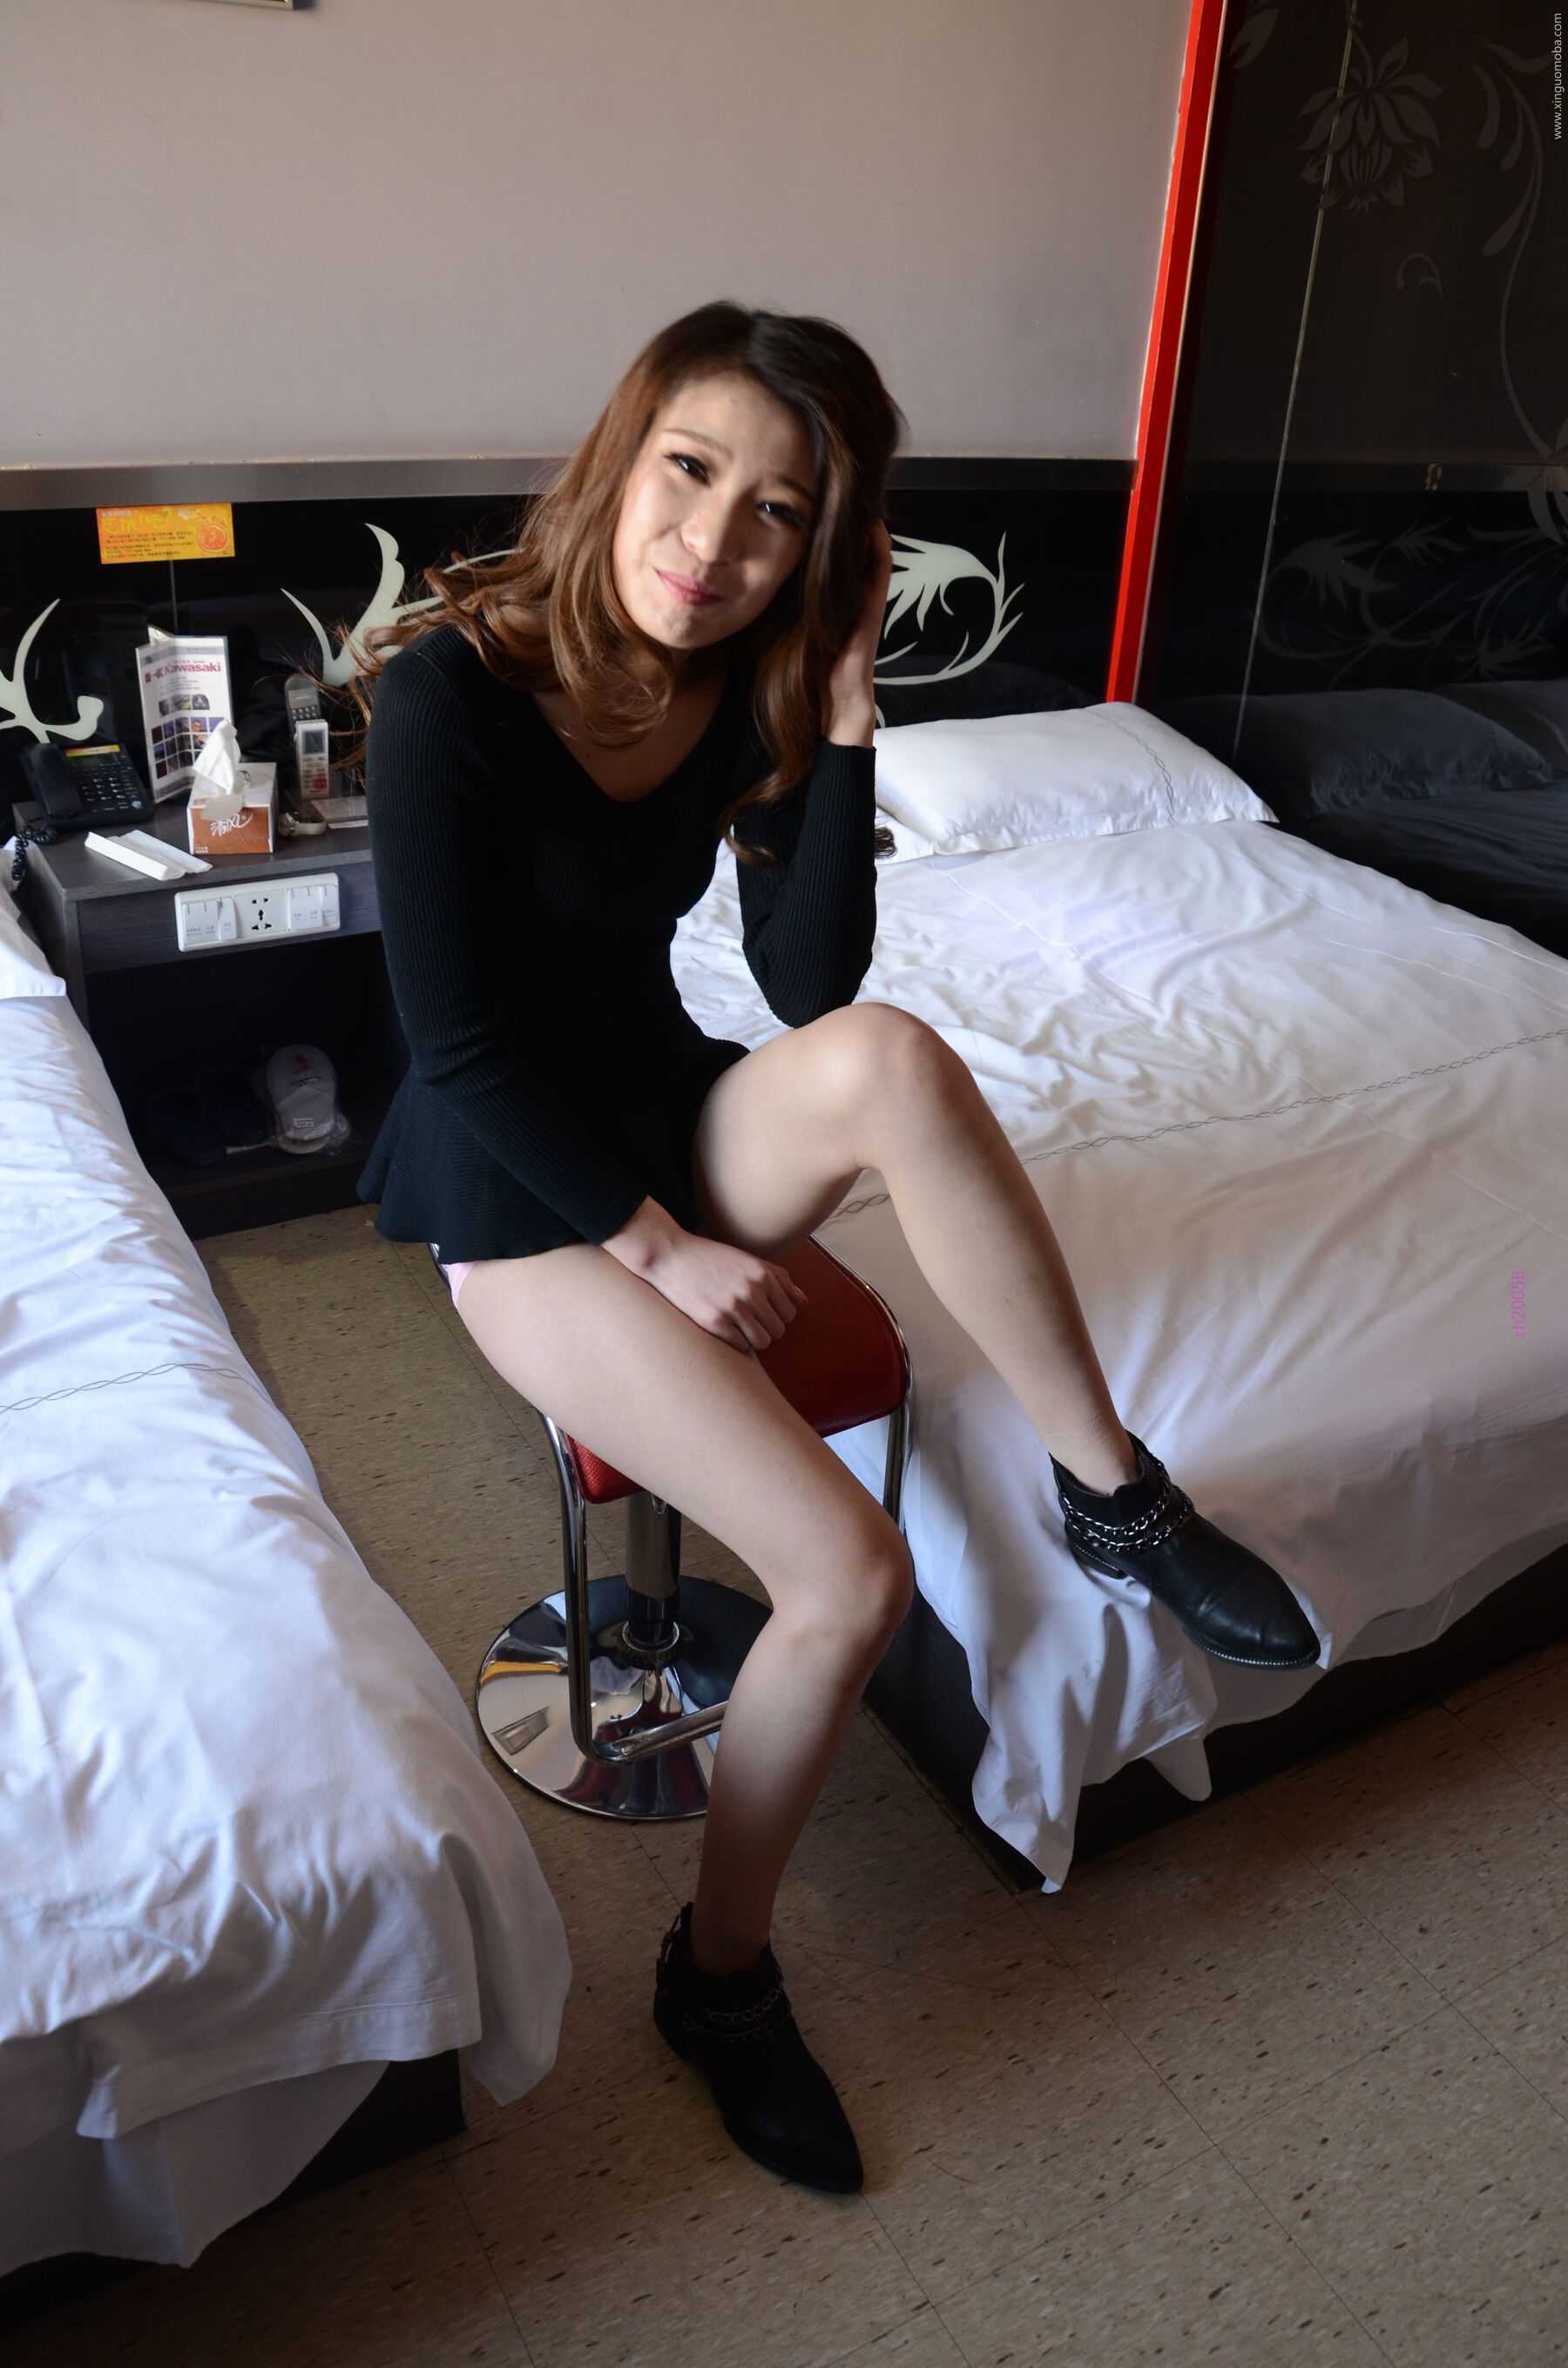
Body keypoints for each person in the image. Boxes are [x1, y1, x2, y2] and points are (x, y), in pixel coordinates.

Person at [345, 300, 1320, 2197]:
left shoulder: (746, 681)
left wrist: (847, 711)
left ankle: (1112, 1494)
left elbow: (808, 987)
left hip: (657, 1097)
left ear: (823, 547)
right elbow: (455, 1046)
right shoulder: (452, 693)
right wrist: (658, 1255)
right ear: (624, 453)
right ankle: (719, 1982)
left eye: (777, 512)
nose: (713, 541)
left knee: (890, 1056)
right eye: (691, 471)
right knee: (851, 1576)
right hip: (513, 1184)